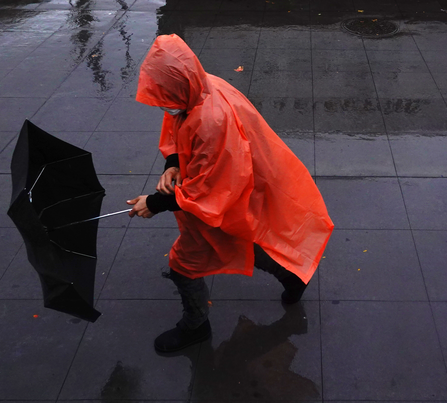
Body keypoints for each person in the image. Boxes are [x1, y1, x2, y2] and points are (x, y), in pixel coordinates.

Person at [126, 34, 334, 353]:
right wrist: (174, 163)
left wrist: (153, 203)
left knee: (183, 263)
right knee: (236, 237)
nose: (163, 106)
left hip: (226, 190)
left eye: (164, 97)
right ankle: (291, 275)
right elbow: (178, 130)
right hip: (238, 185)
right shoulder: (200, 87)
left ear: (179, 86)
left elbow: (206, 192)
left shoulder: (210, 122)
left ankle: (195, 325)